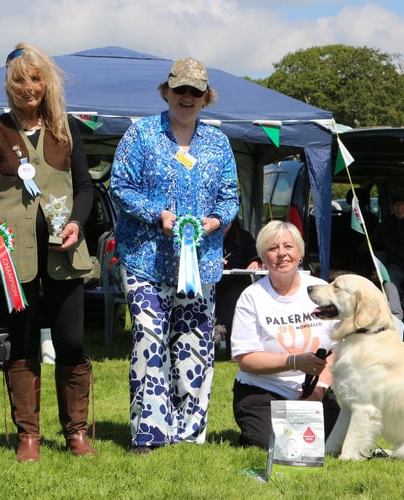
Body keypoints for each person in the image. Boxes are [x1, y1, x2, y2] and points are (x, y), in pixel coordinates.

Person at [0, 43, 96, 461]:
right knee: (21, 343)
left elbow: (86, 187)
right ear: (9, 84)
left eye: (36, 78)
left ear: (47, 82)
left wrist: (77, 221)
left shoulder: (66, 128)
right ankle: (29, 437)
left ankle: (75, 432)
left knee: (71, 341)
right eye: (20, 80)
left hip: (66, 252)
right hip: (11, 255)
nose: (28, 88)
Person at [109, 57, 238, 454]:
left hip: (201, 262)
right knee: (150, 337)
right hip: (145, 259)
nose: (187, 97)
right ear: (167, 92)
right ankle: (149, 432)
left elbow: (230, 197)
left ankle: (188, 433)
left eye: (195, 92)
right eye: (180, 90)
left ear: (206, 98)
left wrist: (213, 222)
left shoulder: (219, 142)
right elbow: (120, 185)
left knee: (194, 343)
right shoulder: (140, 135)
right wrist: (156, 215)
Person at [230, 221, 339, 449]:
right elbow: (245, 359)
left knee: (328, 443)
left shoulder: (321, 290)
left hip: (315, 389)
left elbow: (338, 350)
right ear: (263, 256)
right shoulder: (251, 297)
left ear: (299, 253)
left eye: (288, 246)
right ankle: (254, 429)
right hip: (264, 391)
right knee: (277, 444)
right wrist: (295, 362)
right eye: (272, 248)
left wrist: (318, 392)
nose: (282, 254)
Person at [215, 217, 261, 341]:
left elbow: (254, 255)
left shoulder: (244, 237)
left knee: (235, 292)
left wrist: (255, 261)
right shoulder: (207, 236)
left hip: (238, 281)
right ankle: (220, 327)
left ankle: (220, 327)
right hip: (213, 282)